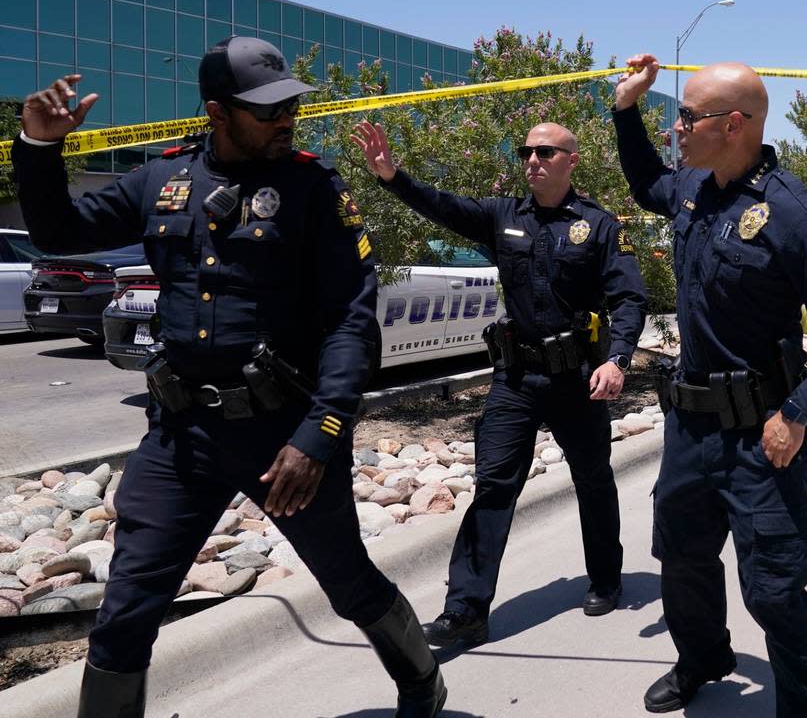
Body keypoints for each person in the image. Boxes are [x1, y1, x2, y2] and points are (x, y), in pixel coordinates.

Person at [12, 36, 445, 718]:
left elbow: (352, 326)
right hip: (183, 435)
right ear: (219, 112)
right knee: (126, 609)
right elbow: (59, 231)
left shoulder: (314, 189)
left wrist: (320, 435)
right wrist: (37, 150)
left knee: (348, 583)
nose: (287, 120)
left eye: (291, 106)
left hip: (286, 436)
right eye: (268, 110)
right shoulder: (163, 179)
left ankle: (423, 683)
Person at [611, 55, 807, 716]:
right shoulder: (693, 187)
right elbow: (647, 182)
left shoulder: (796, 216)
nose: (676, 129)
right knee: (682, 557)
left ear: (732, 124)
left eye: (686, 117)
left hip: (764, 435)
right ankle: (702, 658)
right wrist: (625, 111)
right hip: (691, 427)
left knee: (775, 588)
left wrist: (799, 412)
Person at [351, 119, 647, 647]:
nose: (532, 159)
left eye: (545, 151)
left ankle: (605, 577)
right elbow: (441, 204)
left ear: (570, 160)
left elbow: (629, 300)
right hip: (516, 378)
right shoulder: (502, 215)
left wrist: (617, 360)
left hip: (578, 380)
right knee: (492, 487)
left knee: (594, 482)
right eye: (525, 150)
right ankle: (466, 608)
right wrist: (392, 176)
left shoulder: (599, 227)